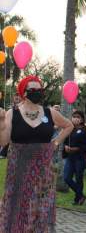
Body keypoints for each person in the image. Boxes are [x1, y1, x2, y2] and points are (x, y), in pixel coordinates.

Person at [0, 75, 73, 233]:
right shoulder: (12, 113)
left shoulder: (50, 112)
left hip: (43, 173)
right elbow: (4, 142)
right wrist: (0, 124)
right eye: (33, 90)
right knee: (19, 209)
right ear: (23, 92)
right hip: (18, 172)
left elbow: (68, 125)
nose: (37, 92)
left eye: (40, 89)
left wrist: (55, 143)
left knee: (41, 210)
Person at [63, 110, 86, 205]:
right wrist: (66, 146)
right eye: (74, 116)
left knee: (79, 178)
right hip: (70, 157)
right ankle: (81, 195)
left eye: (78, 117)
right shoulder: (70, 128)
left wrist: (77, 148)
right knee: (67, 178)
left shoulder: (85, 129)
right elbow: (65, 140)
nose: (75, 118)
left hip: (80, 157)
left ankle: (77, 199)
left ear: (82, 119)